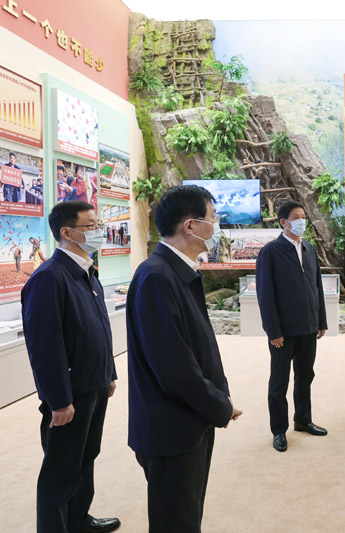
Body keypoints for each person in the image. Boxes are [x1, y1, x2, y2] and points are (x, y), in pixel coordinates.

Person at [127, 185, 243, 532]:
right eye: (213, 218)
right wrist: (218, 405)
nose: (216, 225)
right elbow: (174, 368)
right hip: (172, 428)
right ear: (190, 226)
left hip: (190, 419)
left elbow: (195, 349)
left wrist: (219, 396)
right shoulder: (157, 277)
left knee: (187, 515)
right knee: (175, 521)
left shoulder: (176, 271)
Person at [21, 201, 120, 533]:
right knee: (61, 470)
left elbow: (99, 329)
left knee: (86, 457)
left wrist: (108, 373)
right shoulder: (49, 277)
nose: (98, 230)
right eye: (90, 225)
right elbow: (44, 347)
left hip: (94, 384)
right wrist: (59, 400)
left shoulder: (87, 271)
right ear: (67, 232)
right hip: (70, 394)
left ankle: (78, 521)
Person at [256, 200, 328, 453]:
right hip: (283, 332)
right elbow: (265, 295)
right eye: (296, 217)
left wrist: (321, 321)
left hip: (308, 327)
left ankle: (303, 420)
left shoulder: (309, 248)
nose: (302, 222)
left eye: (303, 217)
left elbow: (317, 287)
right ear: (283, 222)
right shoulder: (270, 252)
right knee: (279, 381)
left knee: (305, 376)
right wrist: (273, 331)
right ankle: (279, 430)